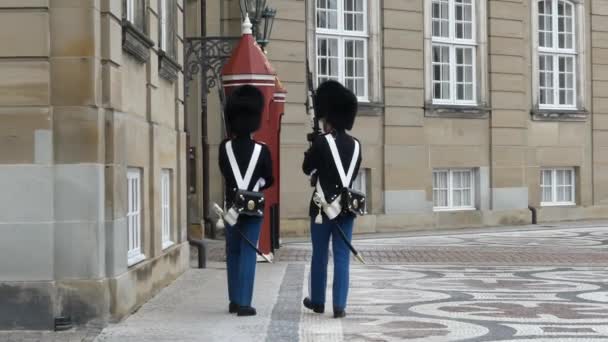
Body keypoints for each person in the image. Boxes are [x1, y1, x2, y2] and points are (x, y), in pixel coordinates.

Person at [302, 80, 362, 318]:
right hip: (346, 209)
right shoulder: (356, 145)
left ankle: (317, 301)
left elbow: (307, 168)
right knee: (341, 256)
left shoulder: (321, 142)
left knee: (319, 255)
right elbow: (350, 174)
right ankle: (339, 305)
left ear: (329, 118)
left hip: (321, 208)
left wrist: (312, 150)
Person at [219, 85, 274, 317]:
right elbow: (269, 180)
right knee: (248, 252)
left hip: (231, 207)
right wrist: (255, 185)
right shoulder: (262, 150)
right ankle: (244, 302)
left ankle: (233, 300)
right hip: (253, 209)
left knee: (232, 252)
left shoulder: (224, 148)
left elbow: (224, 172)